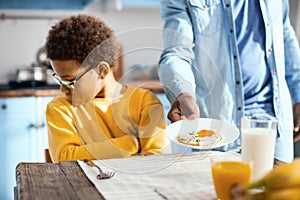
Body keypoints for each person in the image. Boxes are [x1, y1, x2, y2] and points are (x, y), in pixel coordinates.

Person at [158, 0, 300, 163]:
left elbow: (285, 35)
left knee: (278, 188)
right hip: (221, 133)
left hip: (276, 126)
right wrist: (183, 92)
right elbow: (176, 53)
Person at [45, 14, 170, 163]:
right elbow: (65, 158)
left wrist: (86, 153)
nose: (63, 90)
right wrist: (130, 144)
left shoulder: (144, 102)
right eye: (60, 79)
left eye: (70, 81)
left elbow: (156, 160)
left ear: (102, 71)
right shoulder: (60, 108)